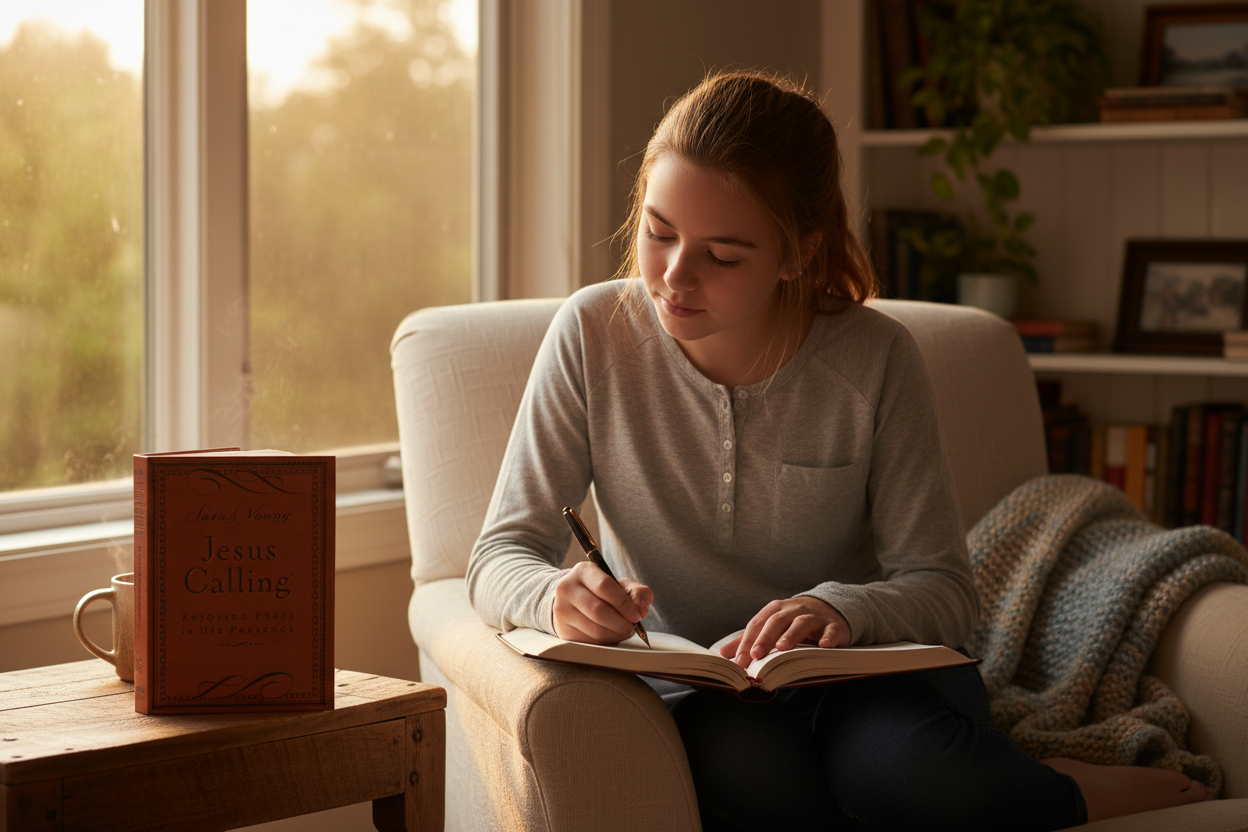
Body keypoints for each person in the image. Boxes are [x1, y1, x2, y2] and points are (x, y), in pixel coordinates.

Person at [467, 69, 1211, 830]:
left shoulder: (875, 357)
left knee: (912, 776)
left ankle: (1068, 792)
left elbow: (948, 594)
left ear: (798, 254)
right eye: (658, 232)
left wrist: (842, 609)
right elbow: (499, 555)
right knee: (761, 787)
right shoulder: (593, 334)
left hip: (870, 675)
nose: (673, 277)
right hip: (704, 689)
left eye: (722, 255)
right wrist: (552, 598)